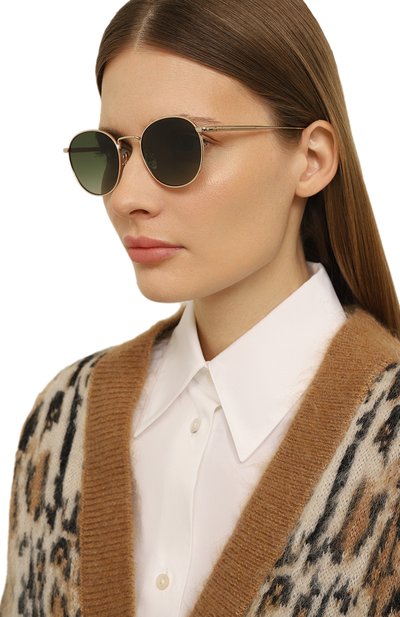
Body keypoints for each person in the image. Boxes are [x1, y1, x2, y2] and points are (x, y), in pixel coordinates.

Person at [1, 0, 400, 615]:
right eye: (110, 151)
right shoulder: (63, 419)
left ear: (312, 160)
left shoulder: (389, 439)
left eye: (179, 146)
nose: (127, 197)